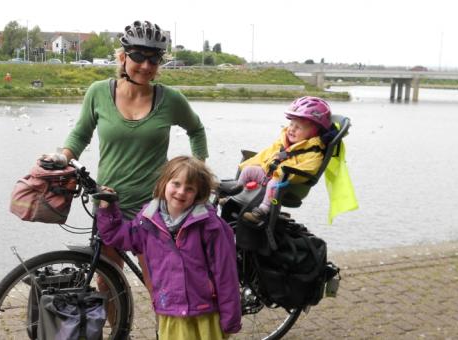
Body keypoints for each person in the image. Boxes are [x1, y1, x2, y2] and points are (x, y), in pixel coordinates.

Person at [61, 19, 207, 299]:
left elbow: (196, 130)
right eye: (138, 56)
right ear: (122, 57)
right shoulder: (98, 92)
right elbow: (80, 135)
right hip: (108, 202)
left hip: (154, 206)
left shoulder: (170, 99)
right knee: (108, 282)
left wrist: (198, 171)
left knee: (159, 284)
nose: (146, 65)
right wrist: (62, 156)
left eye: (154, 59)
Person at [96, 156, 241, 339]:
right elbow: (119, 237)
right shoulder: (147, 220)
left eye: (189, 189)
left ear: (198, 193)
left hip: (205, 314)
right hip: (170, 311)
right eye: (176, 184)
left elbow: (226, 275)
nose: (181, 192)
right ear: (164, 183)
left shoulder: (211, 226)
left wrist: (230, 318)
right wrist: (108, 210)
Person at [236, 96, 333, 223]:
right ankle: (236, 195)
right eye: (291, 124)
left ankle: (262, 211)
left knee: (274, 183)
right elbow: (264, 155)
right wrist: (247, 164)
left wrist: (281, 173)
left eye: (298, 127)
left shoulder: (313, 152)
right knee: (249, 170)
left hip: (287, 184)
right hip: (268, 174)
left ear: (313, 132)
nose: (292, 129)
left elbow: (308, 169)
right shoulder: (283, 143)